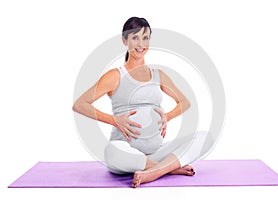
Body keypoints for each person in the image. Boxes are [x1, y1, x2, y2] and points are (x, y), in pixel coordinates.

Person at [72, 17, 208, 188]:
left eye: (145, 37)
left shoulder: (158, 75)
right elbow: (80, 104)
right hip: (125, 152)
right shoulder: (115, 75)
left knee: (204, 137)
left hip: (157, 151)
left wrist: (167, 116)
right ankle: (170, 169)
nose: (141, 43)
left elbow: (184, 102)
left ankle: (153, 171)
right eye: (135, 38)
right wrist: (114, 120)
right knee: (112, 152)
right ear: (124, 40)